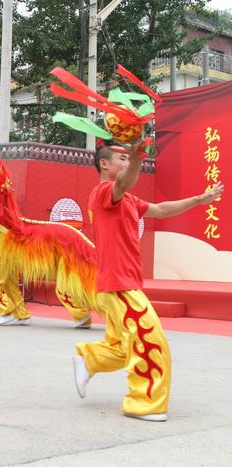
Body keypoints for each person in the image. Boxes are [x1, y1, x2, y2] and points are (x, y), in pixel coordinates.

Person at [73, 140, 224, 422]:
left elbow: (163, 210)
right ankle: (144, 402)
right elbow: (124, 183)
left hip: (124, 282)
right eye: (122, 159)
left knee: (124, 345)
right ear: (104, 164)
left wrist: (198, 200)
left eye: (128, 158)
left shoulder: (128, 200)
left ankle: (89, 358)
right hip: (119, 285)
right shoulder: (104, 192)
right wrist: (138, 157)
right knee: (150, 341)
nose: (127, 163)